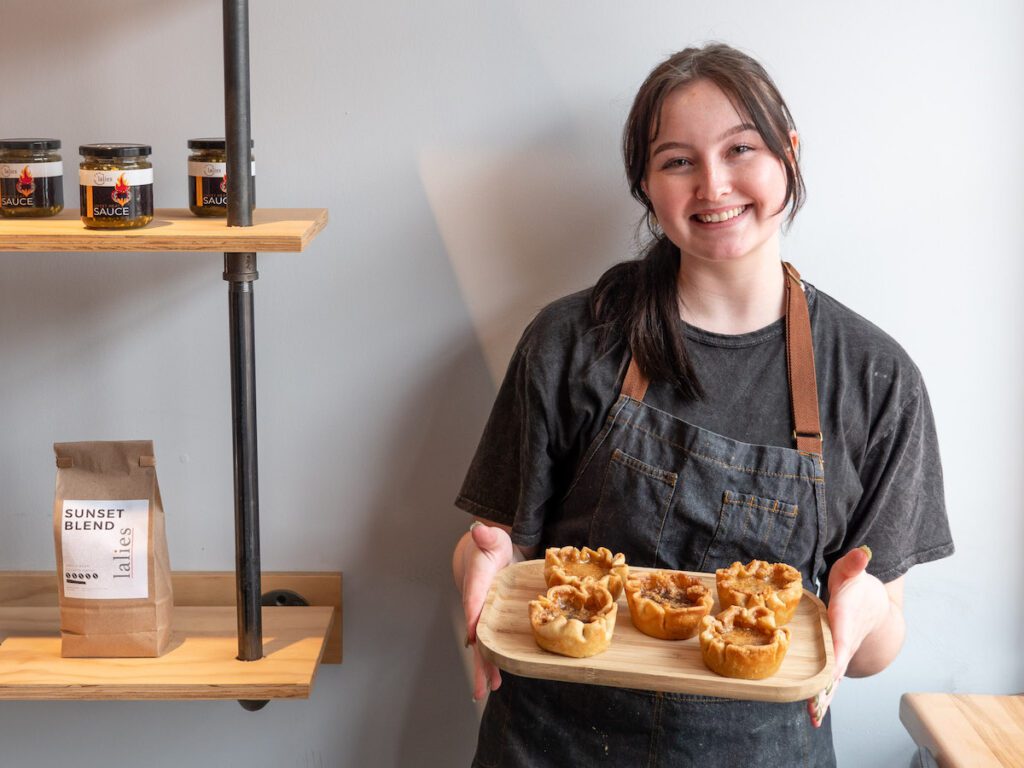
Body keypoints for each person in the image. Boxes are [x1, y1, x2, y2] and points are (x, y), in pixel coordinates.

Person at [452, 42, 953, 767]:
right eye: (677, 161)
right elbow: (503, 557)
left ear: (789, 153)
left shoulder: (876, 379)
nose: (713, 186)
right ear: (647, 187)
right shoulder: (571, 342)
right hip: (553, 746)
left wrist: (869, 607)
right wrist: (474, 560)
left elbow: (875, 650)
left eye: (740, 149)